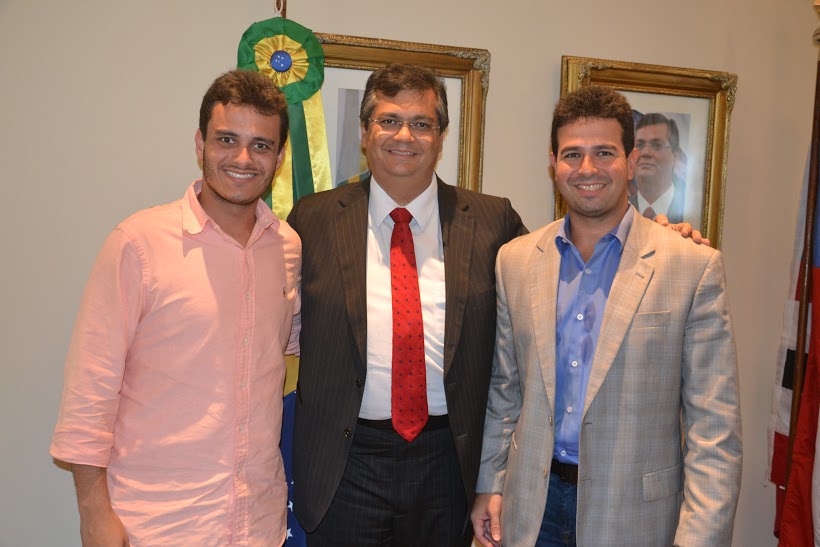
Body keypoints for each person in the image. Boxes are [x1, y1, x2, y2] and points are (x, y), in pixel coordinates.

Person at [471, 86, 741, 546]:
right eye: (572, 154)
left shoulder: (692, 266)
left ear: (632, 161)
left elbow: (713, 433)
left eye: (604, 153)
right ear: (553, 162)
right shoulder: (514, 261)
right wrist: (489, 485)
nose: (588, 169)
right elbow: (505, 392)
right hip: (530, 509)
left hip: (636, 517)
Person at [50, 69, 301, 546]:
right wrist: (94, 514)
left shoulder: (286, 248)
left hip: (258, 525)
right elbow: (90, 389)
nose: (243, 158)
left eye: (261, 145)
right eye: (227, 139)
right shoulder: (139, 243)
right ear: (200, 143)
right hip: (157, 526)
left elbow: (286, 344)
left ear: (280, 157)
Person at [287, 63, 526, 546]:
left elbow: (553, 279)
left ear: (440, 138)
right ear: (364, 131)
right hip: (345, 465)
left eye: (422, 124)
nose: (405, 136)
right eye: (389, 120)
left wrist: (654, 238)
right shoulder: (311, 220)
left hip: (449, 465)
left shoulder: (492, 219)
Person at [630, 113, 687, 223]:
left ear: (675, 156)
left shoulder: (691, 211)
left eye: (656, 145)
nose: (646, 153)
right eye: (640, 145)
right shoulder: (620, 213)